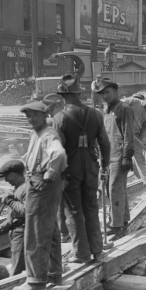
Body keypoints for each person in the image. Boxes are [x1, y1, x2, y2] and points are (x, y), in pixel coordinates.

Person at [53, 75, 111, 263]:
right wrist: (104, 165)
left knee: (73, 211)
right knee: (91, 207)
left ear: (63, 96)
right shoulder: (96, 114)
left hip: (71, 168)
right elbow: (104, 143)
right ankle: (97, 250)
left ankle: (81, 254)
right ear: (79, 93)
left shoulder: (60, 118)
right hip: (92, 166)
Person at [14, 101, 67, 290]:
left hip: (41, 184)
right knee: (50, 229)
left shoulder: (48, 134)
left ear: (44, 115)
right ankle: (54, 272)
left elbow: (59, 154)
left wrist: (50, 173)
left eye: (34, 115)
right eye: (28, 115)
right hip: (36, 182)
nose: (31, 119)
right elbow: (31, 156)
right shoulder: (35, 134)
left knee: (35, 233)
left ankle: (36, 281)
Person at [96, 79, 136, 237]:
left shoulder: (124, 108)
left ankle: (115, 225)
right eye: (102, 94)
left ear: (115, 92)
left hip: (119, 155)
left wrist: (127, 156)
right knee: (116, 189)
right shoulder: (107, 109)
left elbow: (129, 134)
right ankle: (123, 220)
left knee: (114, 189)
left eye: (107, 92)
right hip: (108, 155)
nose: (105, 96)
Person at [0, 160, 27, 276]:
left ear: (13, 174)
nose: (5, 180)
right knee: (19, 266)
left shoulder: (25, 189)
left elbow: (27, 211)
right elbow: (13, 217)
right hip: (18, 233)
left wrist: (10, 202)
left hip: (24, 234)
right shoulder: (19, 188)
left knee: (17, 270)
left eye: (6, 176)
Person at [123, 93, 146, 185]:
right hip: (122, 133)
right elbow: (117, 105)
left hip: (135, 135)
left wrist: (143, 142)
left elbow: (144, 129)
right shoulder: (134, 101)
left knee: (140, 158)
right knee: (121, 158)